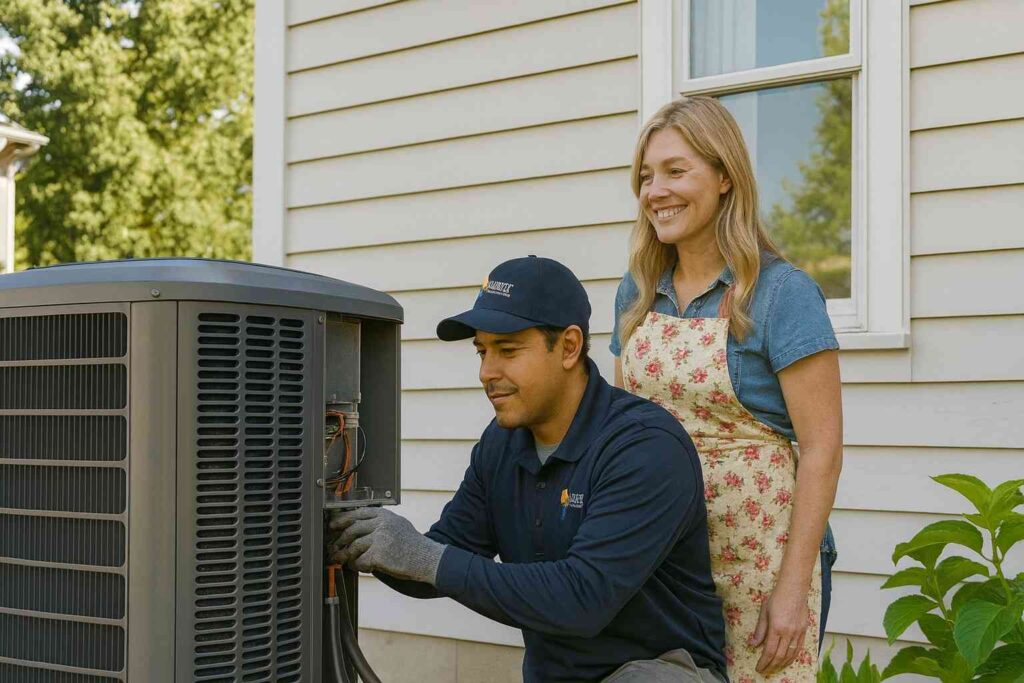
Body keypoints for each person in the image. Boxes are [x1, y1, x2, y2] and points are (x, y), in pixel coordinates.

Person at [329, 256, 728, 683]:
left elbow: (582, 599)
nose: (487, 372)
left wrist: (424, 558)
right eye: (482, 351)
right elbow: (440, 560)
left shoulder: (644, 446)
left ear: (569, 347)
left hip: (662, 671)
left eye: (508, 350)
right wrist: (365, 541)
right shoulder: (502, 445)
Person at [610, 97, 843, 682]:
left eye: (675, 170)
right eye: (646, 176)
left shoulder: (781, 293)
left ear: (724, 177)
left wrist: (792, 589)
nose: (656, 191)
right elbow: (621, 426)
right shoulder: (637, 291)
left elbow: (822, 450)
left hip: (761, 557)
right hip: (662, 557)